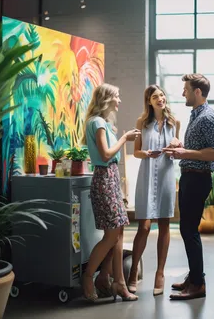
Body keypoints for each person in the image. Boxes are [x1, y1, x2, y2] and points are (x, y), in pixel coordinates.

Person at [163, 73, 214, 300]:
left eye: (186, 90)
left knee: (189, 230)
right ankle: (195, 276)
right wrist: (182, 145)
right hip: (190, 176)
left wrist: (185, 152)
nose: (183, 93)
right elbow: (200, 148)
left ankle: (197, 284)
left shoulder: (208, 117)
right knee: (187, 230)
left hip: (198, 179)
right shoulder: (197, 115)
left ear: (198, 92)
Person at [82, 83, 140, 302]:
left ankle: (116, 282)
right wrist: (124, 139)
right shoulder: (97, 123)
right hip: (105, 178)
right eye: (117, 96)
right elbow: (106, 155)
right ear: (107, 99)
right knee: (111, 234)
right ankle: (89, 277)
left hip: (111, 178)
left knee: (119, 231)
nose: (119, 100)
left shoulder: (102, 123)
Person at [127, 85, 180, 296]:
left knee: (165, 223)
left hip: (167, 174)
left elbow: (178, 150)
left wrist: (176, 145)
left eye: (162, 95)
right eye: (156, 96)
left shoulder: (174, 122)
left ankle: (160, 273)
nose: (161, 98)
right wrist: (147, 153)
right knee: (145, 227)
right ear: (149, 101)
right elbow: (137, 152)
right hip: (147, 175)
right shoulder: (142, 123)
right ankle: (132, 273)